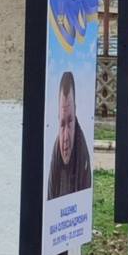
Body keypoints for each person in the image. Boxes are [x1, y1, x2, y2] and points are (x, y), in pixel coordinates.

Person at [47, 70, 92, 199]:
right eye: (62, 124)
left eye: (70, 122)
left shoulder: (83, 156)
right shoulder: (55, 155)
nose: (65, 137)